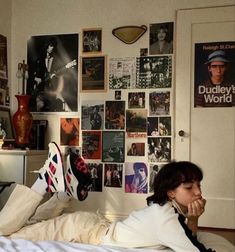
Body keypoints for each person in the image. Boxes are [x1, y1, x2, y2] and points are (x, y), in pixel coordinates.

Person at [0, 145, 234, 251]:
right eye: (190, 186)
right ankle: (46, 182)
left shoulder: (169, 209)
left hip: (89, 226)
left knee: (21, 227)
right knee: (4, 232)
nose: (198, 192)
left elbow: (188, 238)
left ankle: (59, 192)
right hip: (83, 229)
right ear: (171, 191)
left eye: (198, 185)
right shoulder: (166, 216)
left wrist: (194, 220)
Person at [28, 37, 75, 112]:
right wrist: (36, 79)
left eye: (53, 46)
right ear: (47, 46)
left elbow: (56, 72)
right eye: (50, 46)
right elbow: (31, 73)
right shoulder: (39, 59)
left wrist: (67, 66)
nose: (51, 48)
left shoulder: (53, 58)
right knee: (39, 109)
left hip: (50, 89)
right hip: (40, 89)